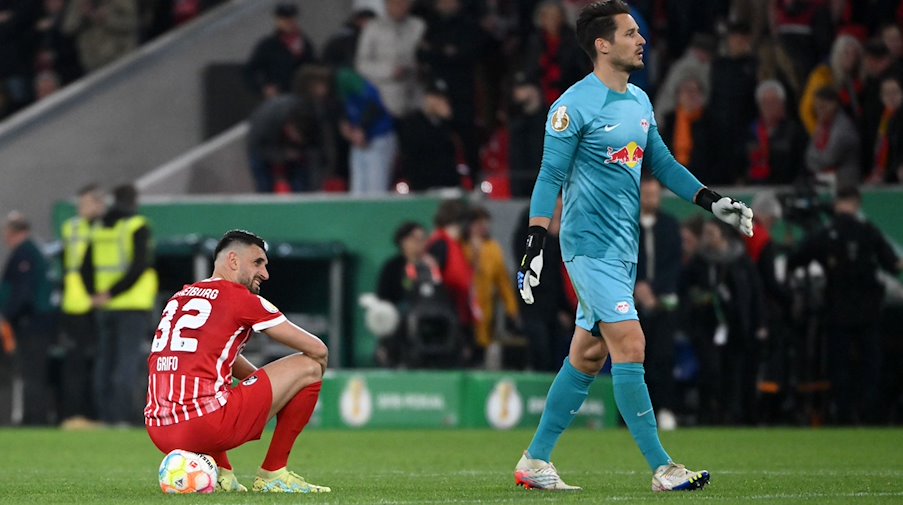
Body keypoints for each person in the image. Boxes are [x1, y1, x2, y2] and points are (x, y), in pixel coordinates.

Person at [513, 1, 753, 492]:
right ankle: (664, 469)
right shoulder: (572, 106)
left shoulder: (640, 102)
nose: (641, 40)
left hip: (623, 253)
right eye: (630, 33)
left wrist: (712, 201)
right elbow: (549, 176)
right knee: (632, 344)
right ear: (603, 44)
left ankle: (535, 461)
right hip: (588, 248)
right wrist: (536, 241)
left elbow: (661, 164)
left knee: (586, 357)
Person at [145, 230, 330, 493]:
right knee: (310, 367)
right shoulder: (241, 299)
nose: (265, 273)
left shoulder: (181, 296)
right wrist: (278, 397)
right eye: (258, 263)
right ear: (233, 261)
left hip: (158, 429)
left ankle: (223, 473)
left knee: (209, 387)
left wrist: (263, 390)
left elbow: (212, 355)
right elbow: (318, 350)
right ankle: (273, 473)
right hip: (204, 427)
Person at [790, 187, 902, 424]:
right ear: (857, 204)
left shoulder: (826, 232)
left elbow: (797, 258)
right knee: (870, 366)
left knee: (838, 367)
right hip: (869, 311)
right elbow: (893, 264)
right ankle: (871, 416)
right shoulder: (868, 231)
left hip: (837, 310)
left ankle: (842, 416)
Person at [84, 184, 158, 426]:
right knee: (127, 363)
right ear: (134, 201)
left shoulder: (97, 227)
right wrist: (113, 292)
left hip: (104, 306)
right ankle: (124, 418)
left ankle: (105, 416)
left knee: (105, 361)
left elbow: (85, 266)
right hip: (132, 305)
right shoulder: (137, 226)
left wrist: (97, 294)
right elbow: (138, 267)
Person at [635, 177, 682, 431]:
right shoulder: (628, 223)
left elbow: (674, 264)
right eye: (646, 194)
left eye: (654, 194)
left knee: (663, 357)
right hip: (632, 302)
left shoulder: (670, 225)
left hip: (664, 303)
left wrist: (652, 290)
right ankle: (636, 414)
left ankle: (665, 409)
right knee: (635, 359)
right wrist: (638, 286)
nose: (650, 198)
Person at [58, 184, 106, 427]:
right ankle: (75, 415)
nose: (83, 209)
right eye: (83, 204)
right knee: (77, 364)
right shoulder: (75, 228)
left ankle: (87, 415)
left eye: (87, 203)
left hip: (91, 306)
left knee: (92, 363)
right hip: (79, 306)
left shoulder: (94, 228)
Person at [0, 212, 53, 425]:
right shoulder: (32, 252)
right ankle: (33, 417)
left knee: (31, 372)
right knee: (32, 372)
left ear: (14, 233)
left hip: (31, 323)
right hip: (35, 322)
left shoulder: (25, 254)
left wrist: (6, 316)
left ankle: (34, 419)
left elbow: (21, 292)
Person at [465, 206, 520, 364]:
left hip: (486, 311)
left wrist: (512, 309)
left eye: (485, 222)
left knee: (481, 352)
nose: (482, 227)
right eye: (477, 223)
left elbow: (503, 282)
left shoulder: (493, 248)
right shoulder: (461, 246)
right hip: (466, 310)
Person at [355, 0, 425, 118]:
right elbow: (361, 64)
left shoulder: (418, 26)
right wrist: (390, 71)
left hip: (415, 99)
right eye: (396, 3)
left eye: (405, 3)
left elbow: (426, 55)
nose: (401, 7)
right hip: (383, 101)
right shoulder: (373, 28)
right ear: (387, 5)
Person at [244, 2, 317, 98]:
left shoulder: (304, 43)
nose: (289, 22)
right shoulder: (268, 45)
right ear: (277, 20)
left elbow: (314, 65)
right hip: (282, 97)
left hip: (306, 95)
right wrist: (263, 88)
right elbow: (249, 70)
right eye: (284, 19)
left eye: (291, 18)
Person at [397, 79, 459, 191]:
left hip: (446, 186)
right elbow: (415, 151)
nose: (441, 102)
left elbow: (450, 154)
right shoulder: (413, 121)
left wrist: (449, 122)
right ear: (427, 98)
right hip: (421, 186)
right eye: (436, 97)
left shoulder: (447, 124)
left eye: (443, 98)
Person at [746, 80, 807, 184]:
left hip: (785, 187)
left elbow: (801, 166)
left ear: (782, 105)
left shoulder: (795, 132)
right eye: (765, 103)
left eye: (773, 102)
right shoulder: (750, 132)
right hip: (755, 187)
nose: (769, 107)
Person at [804, 86, 861, 189]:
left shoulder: (844, 128)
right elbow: (808, 158)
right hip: (823, 183)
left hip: (845, 186)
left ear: (834, 105)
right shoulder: (821, 127)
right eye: (817, 107)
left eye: (823, 106)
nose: (819, 111)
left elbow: (828, 159)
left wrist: (816, 162)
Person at [61, 0, 139, 72]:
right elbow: (67, 29)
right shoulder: (78, 3)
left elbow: (132, 23)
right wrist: (81, 14)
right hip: (95, 65)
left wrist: (107, 19)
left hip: (123, 57)